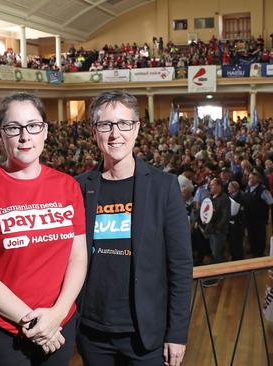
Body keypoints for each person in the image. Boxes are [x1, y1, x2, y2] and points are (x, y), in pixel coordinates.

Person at [0, 92, 87, 365]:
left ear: (45, 131)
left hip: (58, 328)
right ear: (1, 135)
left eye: (33, 126)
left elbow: (77, 257)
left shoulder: (68, 187)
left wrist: (55, 315)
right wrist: (35, 323)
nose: (25, 136)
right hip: (2, 334)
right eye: (14, 128)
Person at [75, 91, 192, 366]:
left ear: (137, 128)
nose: (115, 134)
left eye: (123, 124)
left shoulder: (164, 187)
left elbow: (181, 267)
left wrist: (177, 333)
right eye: (106, 125)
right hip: (93, 333)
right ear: (95, 132)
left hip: (145, 334)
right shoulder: (79, 187)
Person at [245, 171, 273, 256]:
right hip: (249, 216)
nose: (250, 179)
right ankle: (253, 249)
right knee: (251, 233)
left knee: (260, 234)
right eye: (249, 178)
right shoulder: (248, 187)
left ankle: (259, 251)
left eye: (252, 178)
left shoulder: (262, 190)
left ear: (257, 179)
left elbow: (270, 201)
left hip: (259, 218)